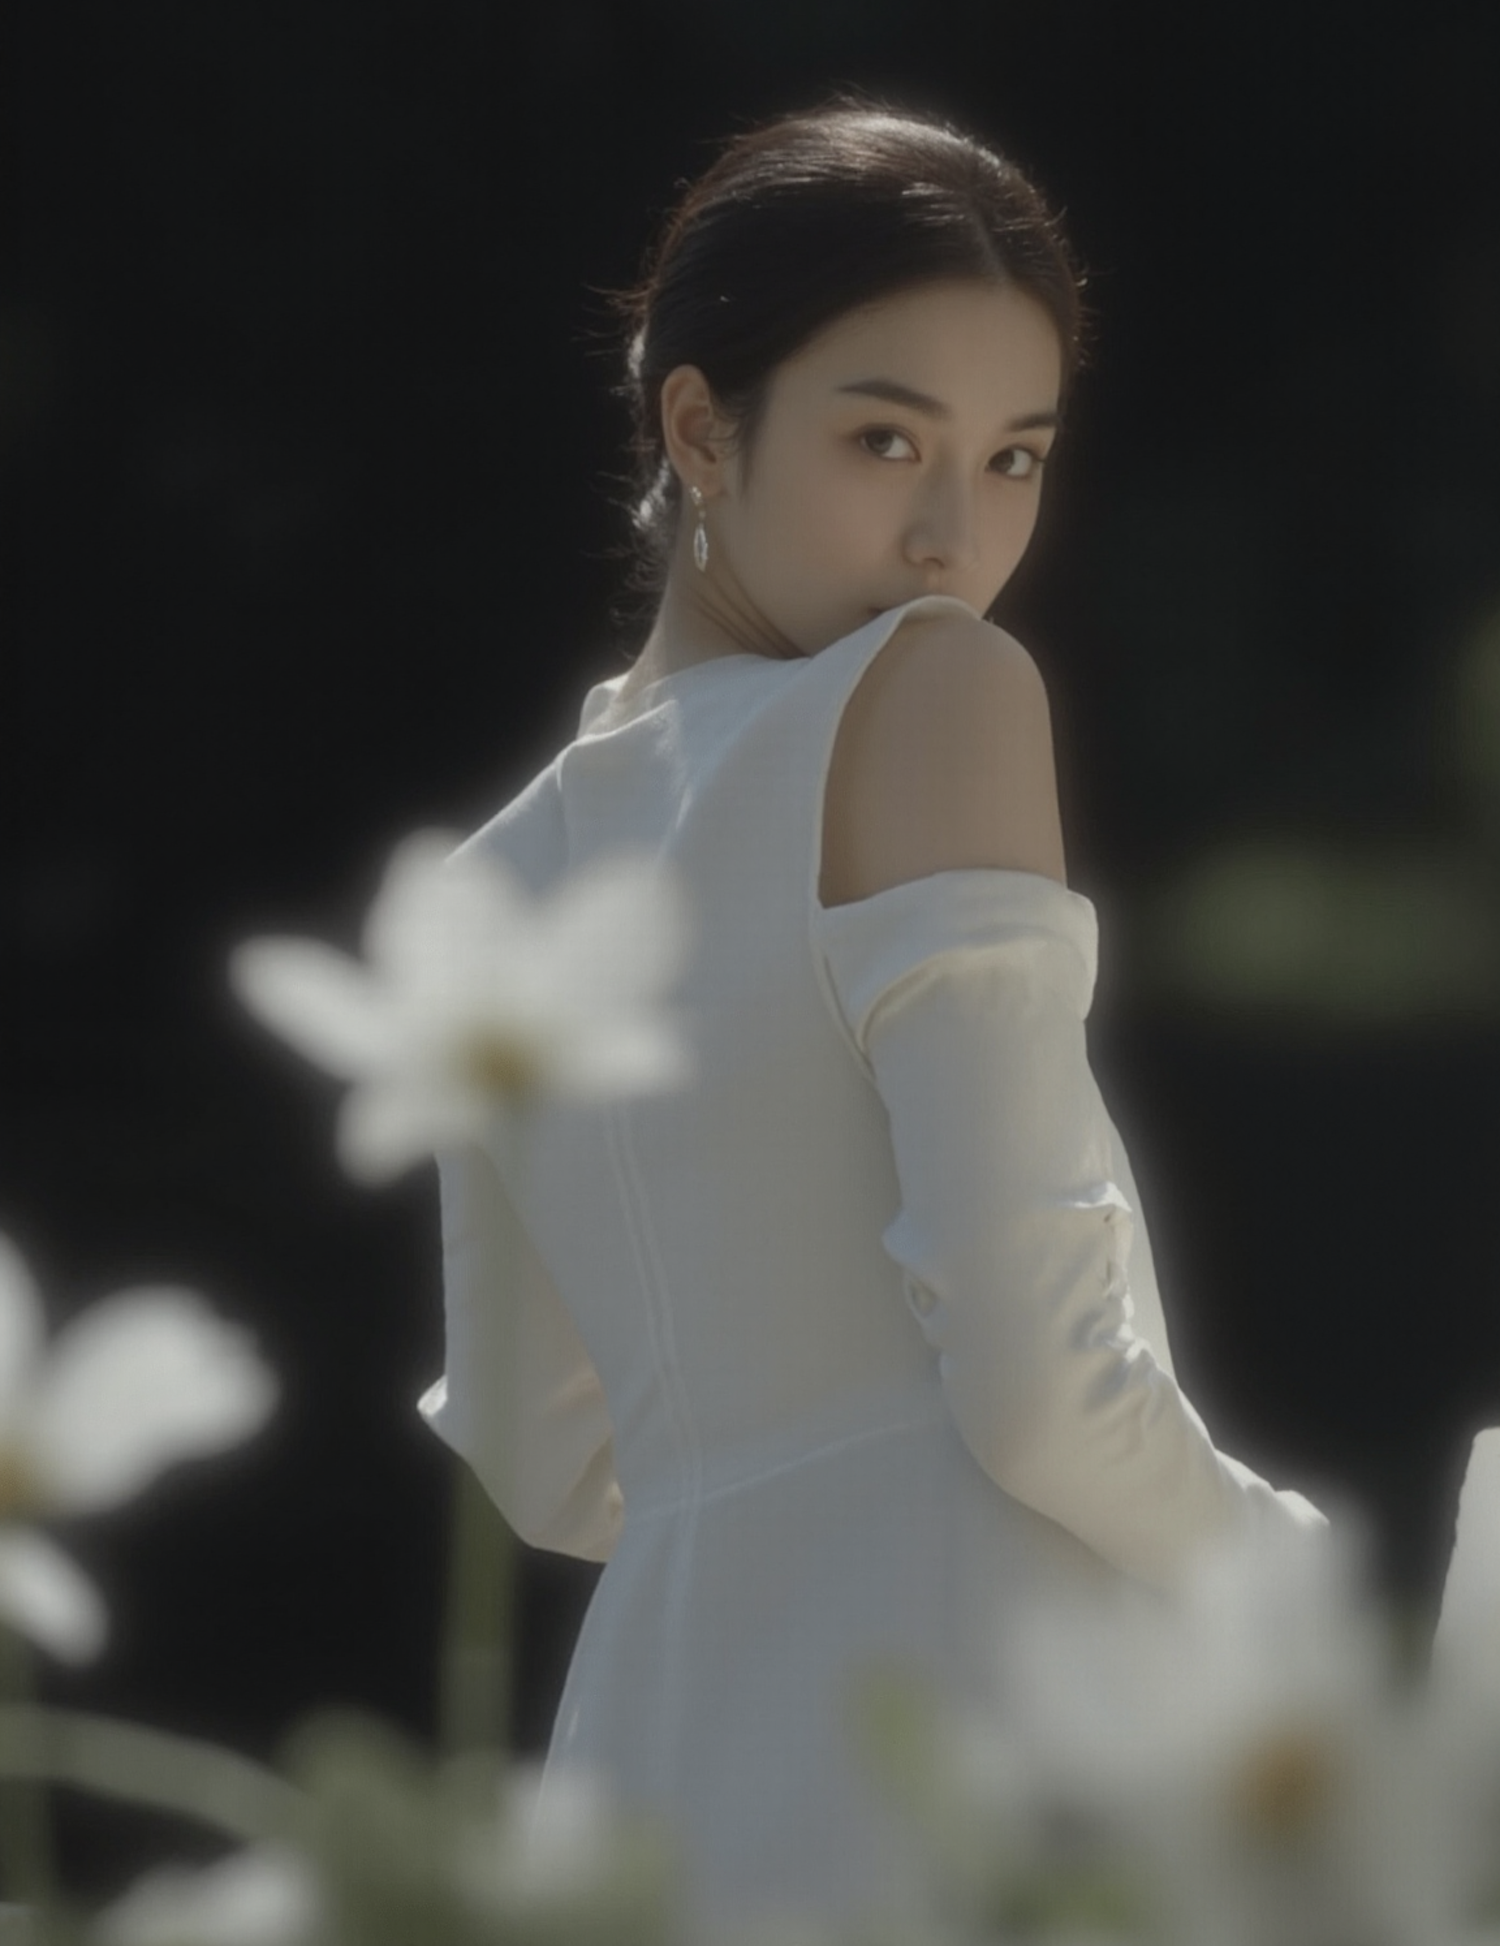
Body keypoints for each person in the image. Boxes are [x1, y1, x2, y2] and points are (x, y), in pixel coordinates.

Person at [419, 99, 1326, 1923]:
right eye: (886, 435)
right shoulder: (937, 694)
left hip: (643, 1771)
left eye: (1012, 458)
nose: (950, 536)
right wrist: (1285, 1574)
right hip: (962, 1729)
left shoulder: (482, 890)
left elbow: (538, 1458)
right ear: (698, 421)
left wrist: (756, 1479)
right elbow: (1043, 1385)